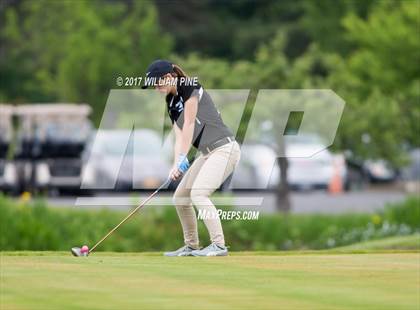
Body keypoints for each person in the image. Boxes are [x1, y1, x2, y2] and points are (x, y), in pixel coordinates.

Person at [142, 59, 241, 256]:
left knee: (199, 194)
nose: (156, 87)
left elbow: (189, 124)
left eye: (158, 82)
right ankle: (191, 246)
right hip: (207, 153)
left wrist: (182, 157)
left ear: (169, 77)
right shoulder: (170, 101)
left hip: (225, 149)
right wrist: (175, 164)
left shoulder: (189, 86)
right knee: (180, 198)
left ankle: (219, 245)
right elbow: (178, 134)